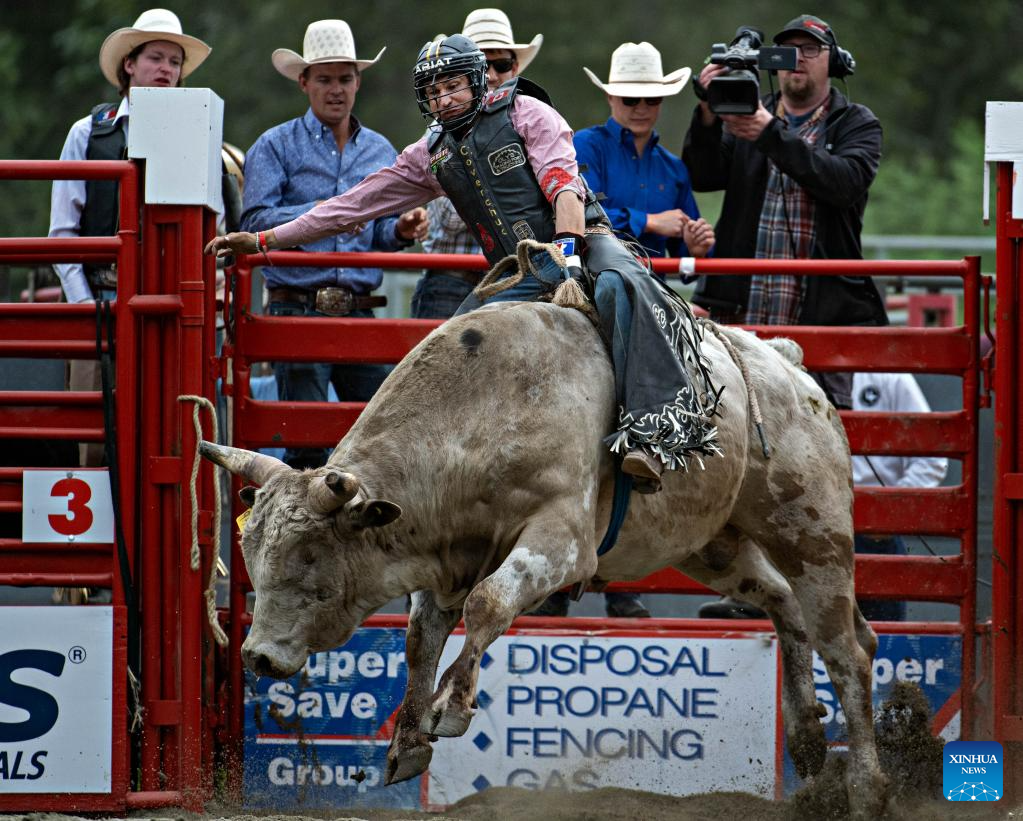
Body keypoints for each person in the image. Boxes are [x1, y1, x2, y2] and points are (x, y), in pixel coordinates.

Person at [207, 35, 721, 500]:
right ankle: (457, 476)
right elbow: (352, 205)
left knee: (619, 282)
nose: (445, 99)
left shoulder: (529, 114)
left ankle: (656, 427)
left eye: (453, 85)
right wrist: (264, 239)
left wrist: (567, 258)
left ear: (476, 82)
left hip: (583, 244)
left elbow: (563, 183)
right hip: (518, 271)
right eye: (434, 91)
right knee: (454, 343)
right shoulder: (429, 154)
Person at [240, 19, 429, 469]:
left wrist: (399, 230)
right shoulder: (274, 146)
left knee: (379, 439)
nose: (336, 89)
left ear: (358, 82)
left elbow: (377, 235)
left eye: (345, 78)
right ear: (304, 82)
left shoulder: (381, 151)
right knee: (306, 446)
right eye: (324, 79)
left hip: (360, 310)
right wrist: (322, 215)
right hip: (297, 307)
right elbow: (255, 222)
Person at [682, 13, 887, 411]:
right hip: (743, 309)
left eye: (811, 49)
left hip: (819, 314)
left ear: (835, 61)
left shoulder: (856, 123)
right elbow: (702, 174)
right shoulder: (749, 113)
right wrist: (707, 111)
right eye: (788, 50)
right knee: (735, 428)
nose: (799, 58)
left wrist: (768, 132)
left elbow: (842, 184)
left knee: (822, 429)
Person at [48, 8, 210, 468]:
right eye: (156, 57)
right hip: (101, 302)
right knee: (97, 438)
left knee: (168, 438)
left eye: (174, 62)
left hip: (168, 308)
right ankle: (102, 540)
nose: (166, 69)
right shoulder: (88, 133)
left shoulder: (197, 136)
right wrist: (84, 309)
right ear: (130, 65)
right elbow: (62, 232)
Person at [412, 9, 543, 319]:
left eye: (502, 64)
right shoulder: (438, 132)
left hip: (521, 280)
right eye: (484, 64)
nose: (492, 75)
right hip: (453, 281)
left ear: (515, 69)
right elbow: (450, 218)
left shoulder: (529, 121)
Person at [576, 42, 715, 263]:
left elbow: (688, 256)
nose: (641, 108)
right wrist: (649, 221)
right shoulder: (584, 145)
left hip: (653, 292)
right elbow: (579, 216)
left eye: (651, 99)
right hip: (591, 288)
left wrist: (697, 248)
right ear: (610, 97)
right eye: (630, 99)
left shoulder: (675, 169)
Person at [850, 372, 948, 620]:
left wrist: (889, 513)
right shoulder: (798, 371)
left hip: (872, 534)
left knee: (883, 634)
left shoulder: (890, 377)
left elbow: (932, 456)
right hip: (812, 530)